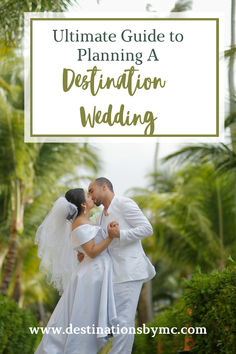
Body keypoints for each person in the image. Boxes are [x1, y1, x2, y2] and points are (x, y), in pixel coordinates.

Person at [34, 188, 118, 354]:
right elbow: (93, 251)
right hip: (91, 276)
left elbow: (82, 254)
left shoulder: (84, 221)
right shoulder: (79, 223)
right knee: (83, 318)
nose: (90, 196)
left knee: (83, 318)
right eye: (87, 196)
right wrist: (110, 236)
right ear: (82, 204)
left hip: (93, 272)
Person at [82, 177, 156, 354]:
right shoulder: (100, 217)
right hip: (113, 275)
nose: (90, 195)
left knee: (124, 321)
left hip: (130, 271)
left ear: (104, 187)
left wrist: (120, 234)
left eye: (91, 190)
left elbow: (147, 228)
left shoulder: (124, 203)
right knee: (116, 322)